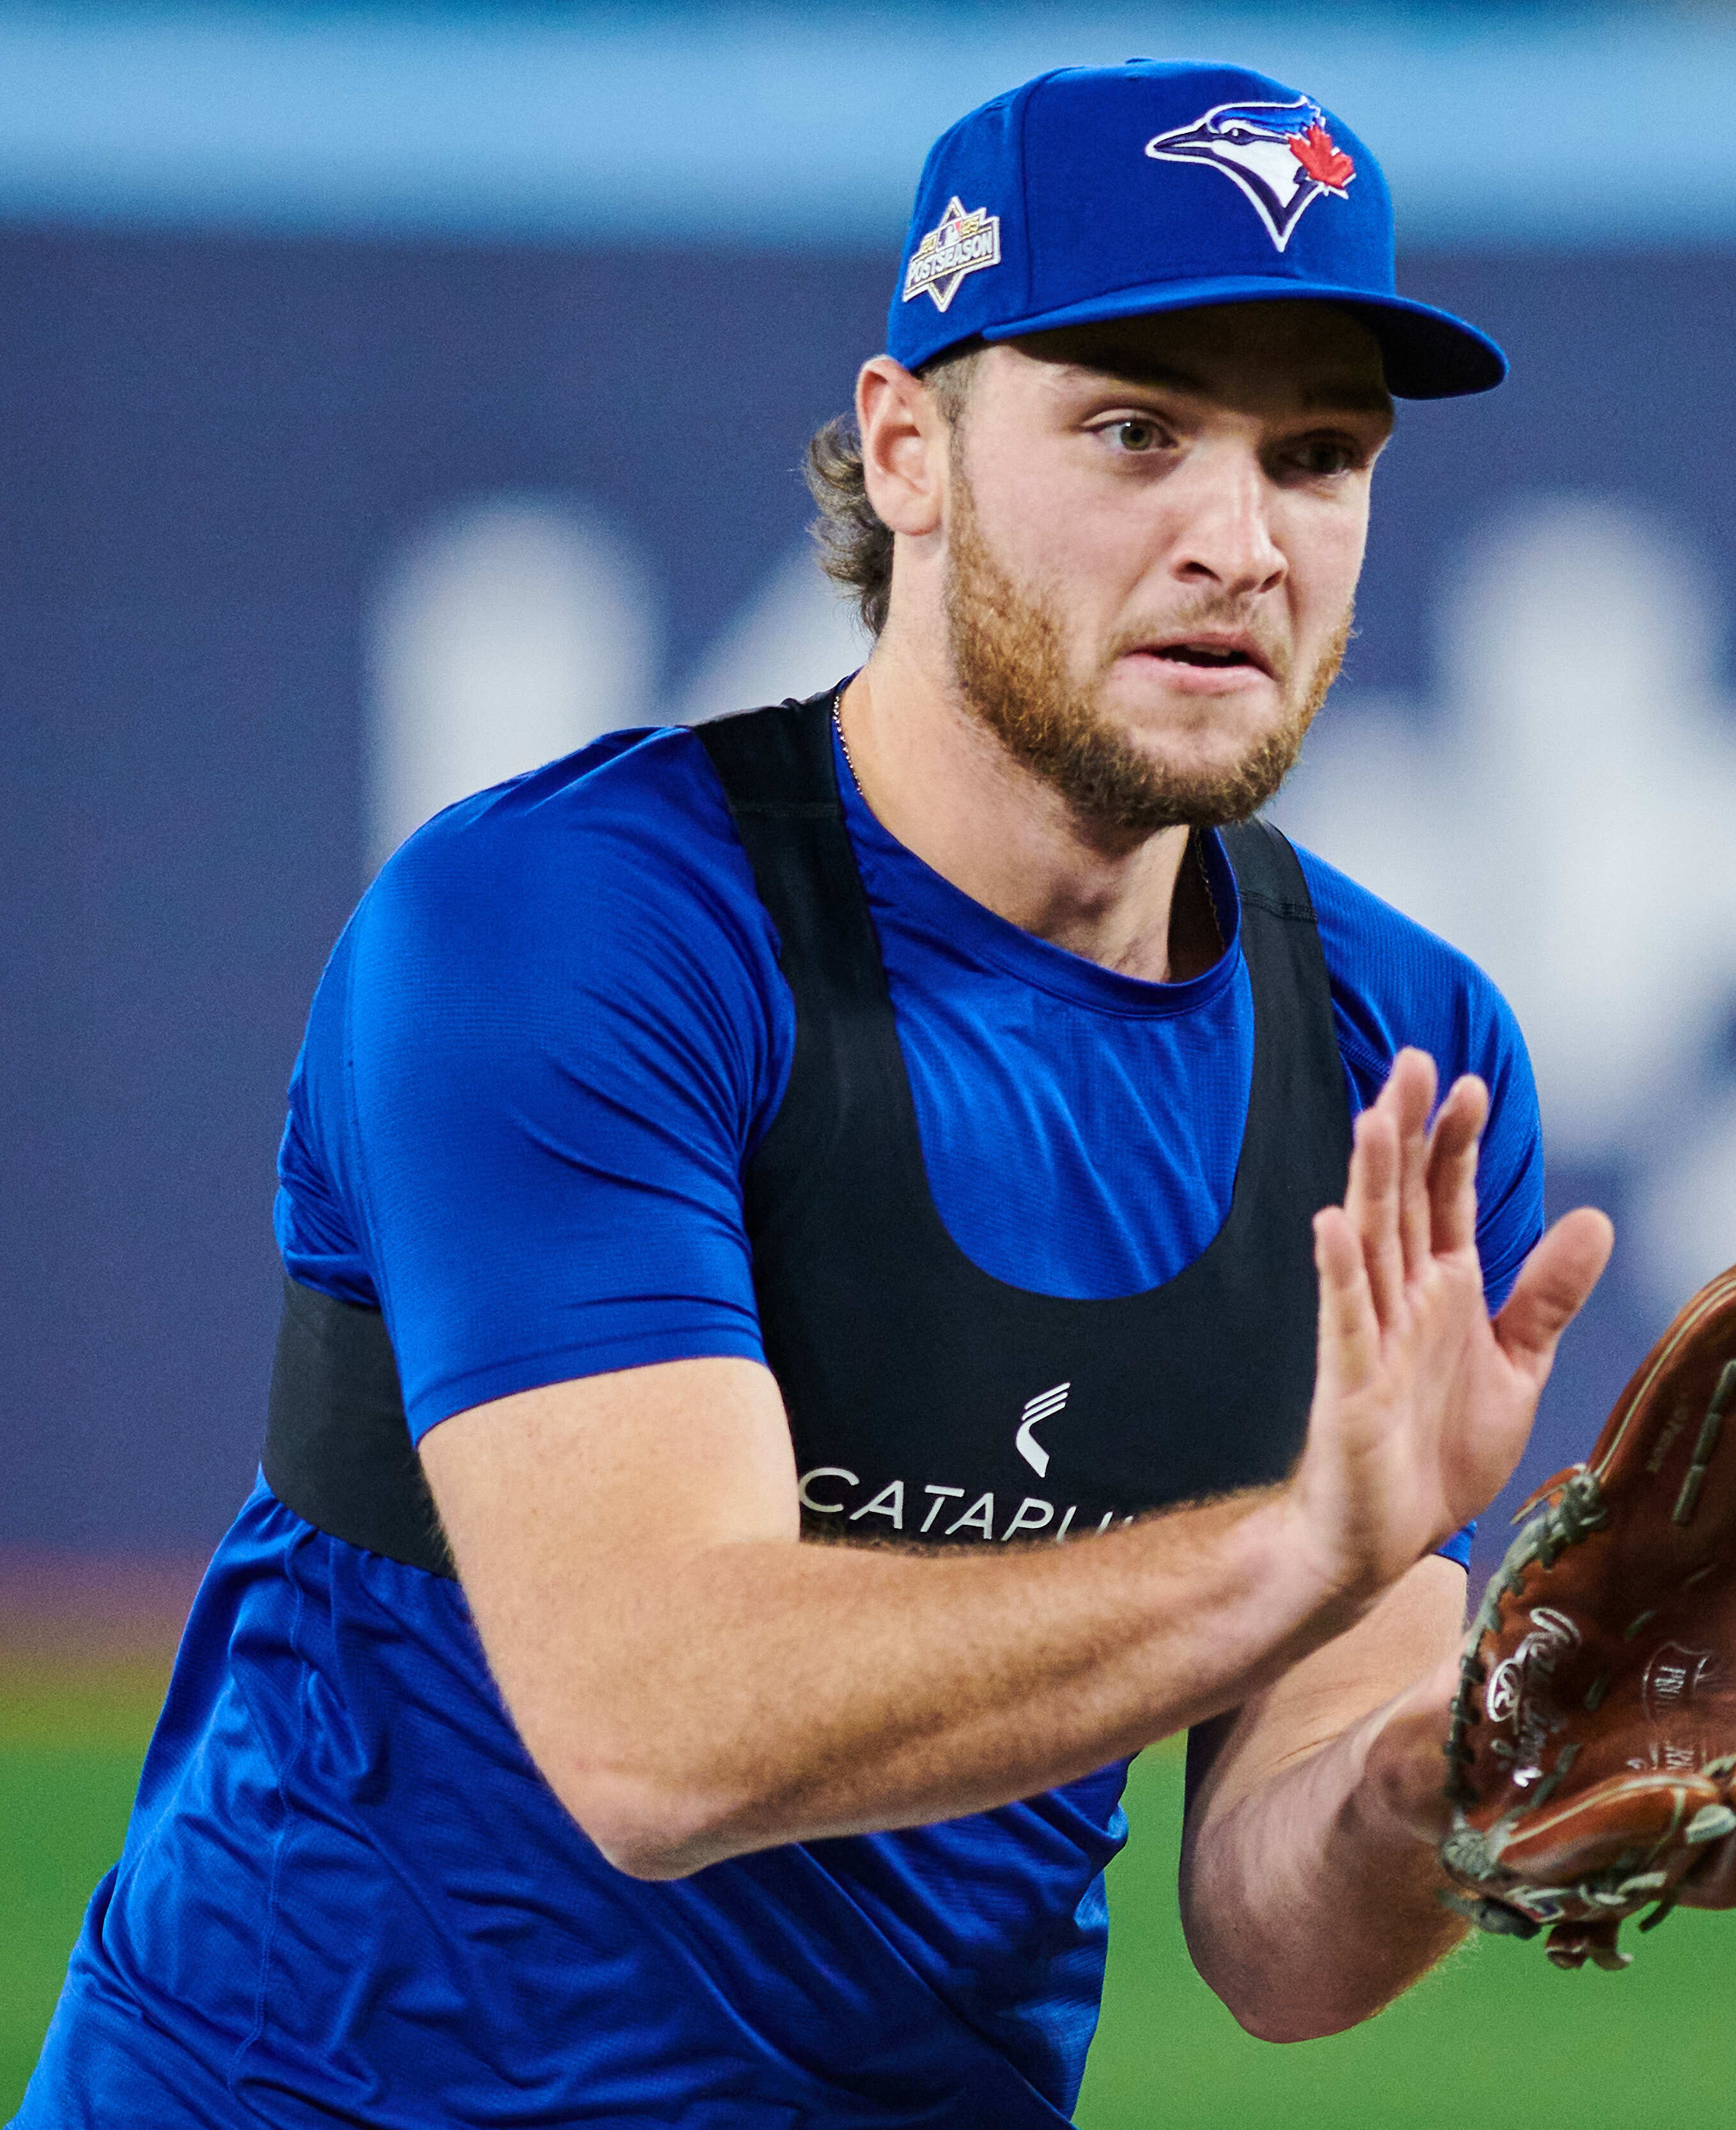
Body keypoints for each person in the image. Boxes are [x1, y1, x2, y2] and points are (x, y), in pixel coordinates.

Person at [18, 59, 1612, 2127]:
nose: (1241, 540)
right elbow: (659, 1734)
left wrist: (1449, 1776)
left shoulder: (1403, 1062)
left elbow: (1281, 1940)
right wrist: (1287, 1555)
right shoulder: (578, 926)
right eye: (1138, 432)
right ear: (908, 446)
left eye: (1317, 457)